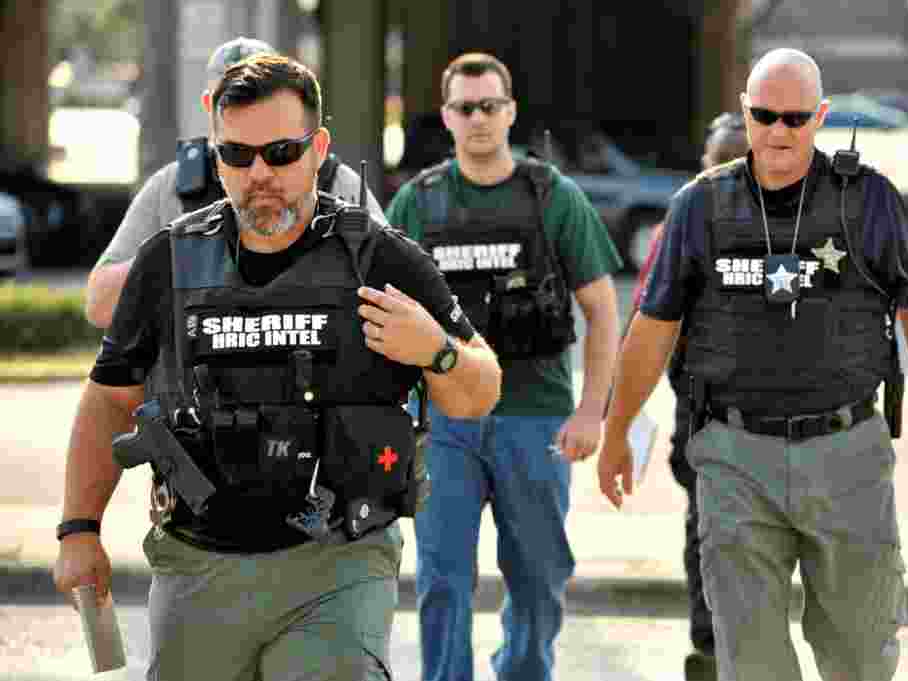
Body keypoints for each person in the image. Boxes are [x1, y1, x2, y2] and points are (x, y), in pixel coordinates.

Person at [52, 54, 502, 681]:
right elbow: (108, 400)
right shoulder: (169, 263)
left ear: (318, 148)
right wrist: (79, 529)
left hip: (338, 565)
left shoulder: (380, 260)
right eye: (237, 156)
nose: (260, 173)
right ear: (217, 157)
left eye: (282, 152)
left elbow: (478, 391)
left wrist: (437, 349)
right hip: (198, 563)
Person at [598, 48, 908, 681]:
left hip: (848, 452)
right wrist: (616, 431)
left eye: (794, 119)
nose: (777, 132)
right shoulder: (700, 207)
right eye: (763, 115)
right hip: (735, 457)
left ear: (820, 117)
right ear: (745, 112)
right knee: (751, 659)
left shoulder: (869, 200)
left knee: (860, 650)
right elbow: (653, 328)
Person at [385, 53, 621, 681]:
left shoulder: (553, 198)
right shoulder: (417, 204)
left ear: (511, 112)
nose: (479, 118)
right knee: (441, 582)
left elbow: (603, 310)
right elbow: (380, 318)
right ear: (448, 116)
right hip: (443, 427)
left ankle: (522, 671)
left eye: (490, 105)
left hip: (535, 420)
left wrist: (592, 412)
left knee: (540, 581)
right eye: (465, 107)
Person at [85, 36, 387, 329]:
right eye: (233, 96)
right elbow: (100, 307)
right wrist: (182, 254)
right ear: (209, 104)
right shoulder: (174, 186)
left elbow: (393, 286)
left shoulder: (333, 179)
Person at [628, 110, 749, 671]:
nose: (727, 174)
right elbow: (644, 327)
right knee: (706, 531)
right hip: (701, 414)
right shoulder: (676, 227)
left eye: (736, 162)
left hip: (770, 415)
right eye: (719, 162)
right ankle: (710, 646)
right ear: (704, 167)